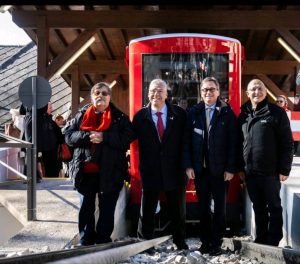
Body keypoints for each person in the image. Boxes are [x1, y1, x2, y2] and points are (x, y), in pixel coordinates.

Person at [64, 82, 134, 246]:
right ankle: (85, 242)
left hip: (111, 172)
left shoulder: (119, 118)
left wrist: (105, 137)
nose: (100, 96)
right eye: (97, 93)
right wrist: (87, 136)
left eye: (104, 93)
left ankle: (103, 242)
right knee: (86, 209)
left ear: (109, 97)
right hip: (85, 172)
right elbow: (68, 136)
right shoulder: (81, 115)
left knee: (107, 209)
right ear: (92, 96)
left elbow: (128, 138)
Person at [182, 76, 238, 256]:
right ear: (201, 92)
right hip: (200, 170)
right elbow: (186, 143)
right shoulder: (193, 113)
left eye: (212, 89)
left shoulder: (227, 113)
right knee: (203, 208)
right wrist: (188, 165)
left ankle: (217, 242)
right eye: (205, 89)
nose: (208, 92)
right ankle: (205, 242)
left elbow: (233, 143)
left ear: (218, 92)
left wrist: (231, 168)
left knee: (220, 208)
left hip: (221, 171)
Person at [132, 78, 188, 250]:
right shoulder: (140, 116)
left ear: (166, 94)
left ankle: (180, 242)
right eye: (152, 90)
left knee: (178, 210)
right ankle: (145, 244)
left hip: (175, 169)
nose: (156, 94)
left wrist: (187, 165)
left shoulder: (179, 114)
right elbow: (128, 138)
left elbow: (186, 142)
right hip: (150, 170)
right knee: (147, 210)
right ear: (148, 93)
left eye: (160, 90)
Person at [238, 79, 293, 246]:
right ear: (247, 94)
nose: (257, 92)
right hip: (251, 172)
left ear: (265, 91)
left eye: (260, 88)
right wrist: (241, 168)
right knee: (258, 207)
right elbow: (239, 143)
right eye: (253, 89)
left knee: (274, 207)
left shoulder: (276, 113)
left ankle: (274, 241)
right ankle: (261, 240)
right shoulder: (243, 114)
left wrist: (285, 169)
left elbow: (287, 143)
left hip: (270, 171)